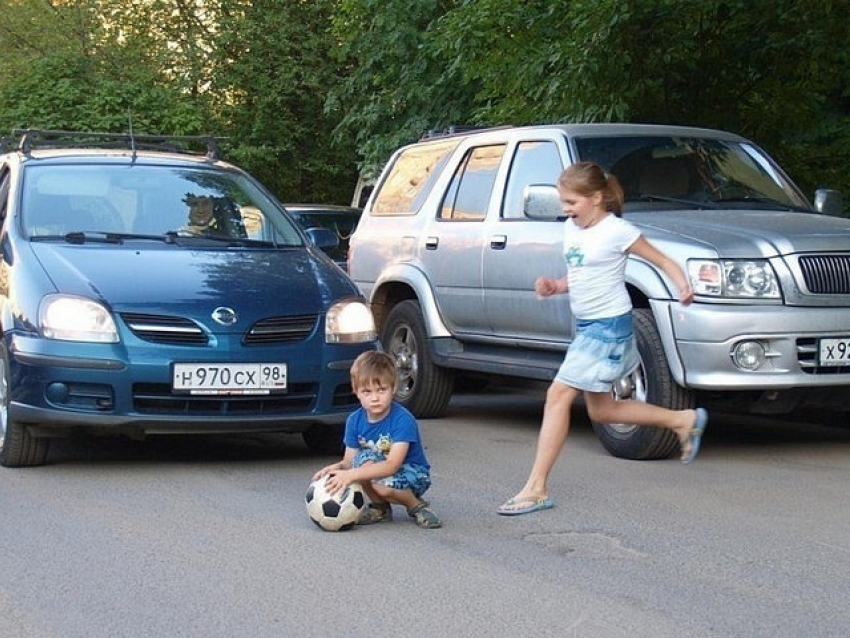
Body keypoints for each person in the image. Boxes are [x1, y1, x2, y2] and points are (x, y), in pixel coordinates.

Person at [497, 161, 708, 516]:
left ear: (596, 198)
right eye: (563, 202)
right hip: (588, 326)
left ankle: (536, 488)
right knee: (604, 410)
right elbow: (580, 273)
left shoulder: (617, 231)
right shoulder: (572, 228)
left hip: (608, 327)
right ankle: (682, 421)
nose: (565, 209)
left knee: (557, 395)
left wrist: (683, 284)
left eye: (571, 202)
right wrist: (555, 286)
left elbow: (662, 260)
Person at [312, 350, 442, 529]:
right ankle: (380, 508)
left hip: (413, 473)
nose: (374, 398)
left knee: (378, 483)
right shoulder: (354, 420)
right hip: (381, 471)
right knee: (360, 462)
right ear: (356, 392)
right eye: (367, 391)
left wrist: (351, 475)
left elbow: (392, 465)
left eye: (381, 390)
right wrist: (337, 468)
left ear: (393, 388)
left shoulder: (403, 420)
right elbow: (350, 462)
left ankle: (416, 506)